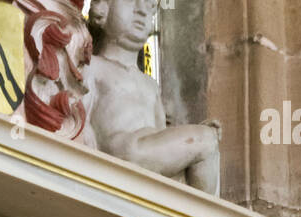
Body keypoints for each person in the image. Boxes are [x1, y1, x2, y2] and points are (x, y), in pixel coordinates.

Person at [87, 0, 221, 195]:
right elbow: (76, 118)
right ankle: (207, 216)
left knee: (209, 141)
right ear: (101, 9)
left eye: (150, 7)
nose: (142, 11)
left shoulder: (150, 85)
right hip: (123, 154)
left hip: (148, 157)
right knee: (206, 141)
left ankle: (200, 216)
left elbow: (160, 131)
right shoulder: (93, 67)